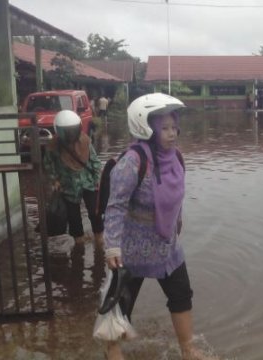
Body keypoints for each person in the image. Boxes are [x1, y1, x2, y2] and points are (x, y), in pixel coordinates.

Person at [103, 93, 215, 360]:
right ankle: (112, 349)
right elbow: (115, 205)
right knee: (122, 303)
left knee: (181, 293)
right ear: (146, 127)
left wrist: (177, 220)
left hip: (166, 244)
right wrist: (112, 246)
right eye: (164, 128)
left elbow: (176, 194)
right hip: (132, 246)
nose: (172, 133)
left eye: (174, 127)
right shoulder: (132, 161)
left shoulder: (175, 157)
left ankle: (187, 348)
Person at [43, 110, 103, 247]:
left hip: (89, 183)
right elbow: (48, 164)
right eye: (66, 131)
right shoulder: (53, 146)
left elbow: (95, 162)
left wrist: (97, 179)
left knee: (95, 213)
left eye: (72, 130)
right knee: (73, 217)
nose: (70, 135)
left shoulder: (85, 140)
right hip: (68, 186)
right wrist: (55, 180)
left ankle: (99, 240)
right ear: (59, 130)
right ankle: (79, 242)